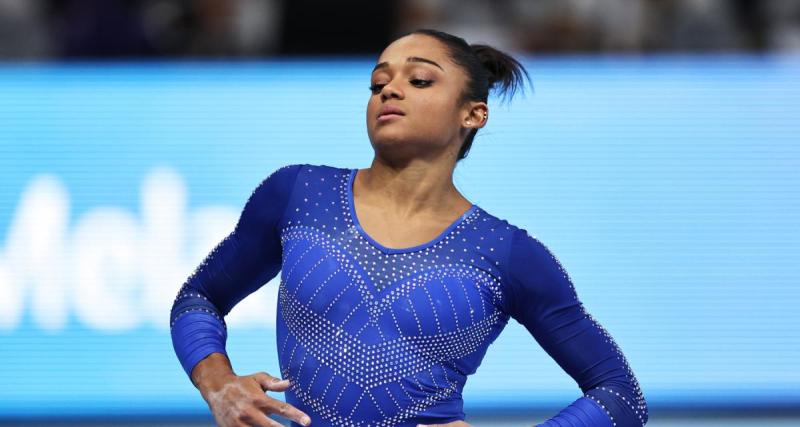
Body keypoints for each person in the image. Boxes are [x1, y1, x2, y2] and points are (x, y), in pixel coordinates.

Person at [170, 28, 649, 427]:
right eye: (378, 82)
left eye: (419, 80)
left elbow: (620, 395)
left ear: (473, 114)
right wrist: (218, 384)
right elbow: (199, 299)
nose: (389, 90)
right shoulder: (297, 193)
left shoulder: (509, 254)